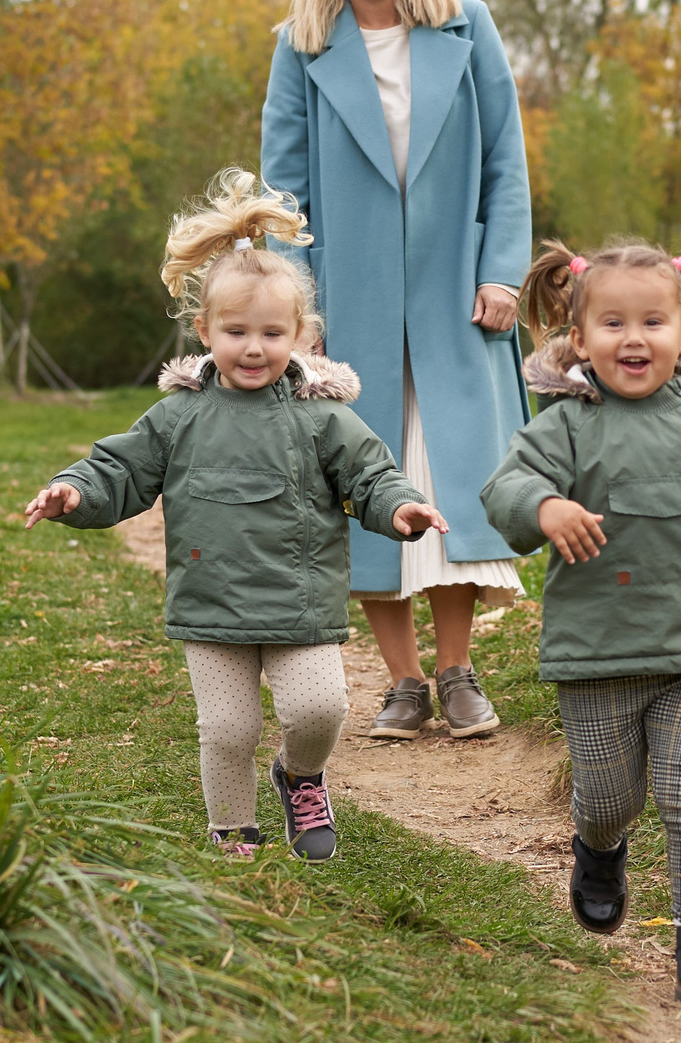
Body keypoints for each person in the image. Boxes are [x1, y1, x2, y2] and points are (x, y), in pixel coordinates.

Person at [24, 170, 445, 861]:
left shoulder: (321, 417)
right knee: (227, 729)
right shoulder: (179, 414)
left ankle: (301, 775)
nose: (254, 347)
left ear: (303, 337)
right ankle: (233, 838)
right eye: (237, 331)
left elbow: (370, 473)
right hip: (212, 601)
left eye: (272, 332)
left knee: (319, 709)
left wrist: (400, 507)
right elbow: (121, 468)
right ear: (204, 330)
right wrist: (75, 491)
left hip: (299, 600)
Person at [481, 240, 681, 1011]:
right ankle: (599, 849)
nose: (635, 338)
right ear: (579, 338)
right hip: (597, 655)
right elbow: (506, 488)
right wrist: (545, 506)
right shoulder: (564, 426)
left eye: (654, 321)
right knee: (606, 797)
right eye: (614, 323)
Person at [262, 0, 531, 744]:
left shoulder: (466, 25)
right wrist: (294, 306)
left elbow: (506, 164)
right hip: (353, 301)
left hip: (457, 289)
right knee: (365, 478)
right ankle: (403, 681)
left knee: (454, 469)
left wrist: (503, 271)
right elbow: (283, 190)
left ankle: (457, 671)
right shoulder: (302, 46)